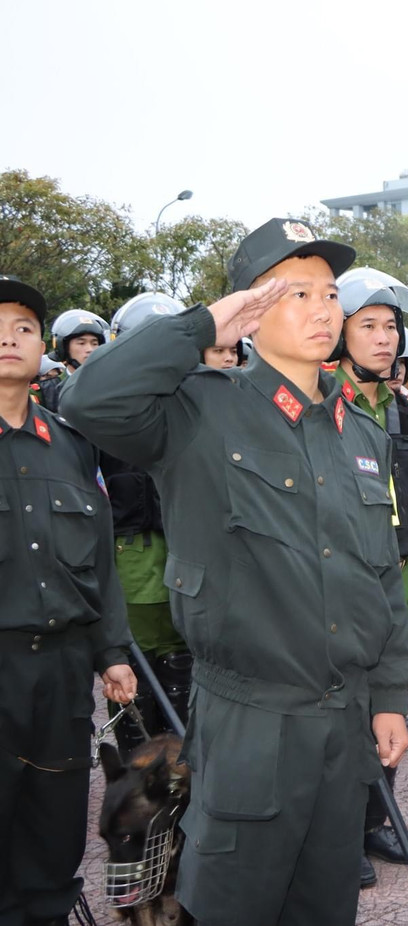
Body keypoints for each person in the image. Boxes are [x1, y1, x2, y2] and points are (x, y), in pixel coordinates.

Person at [62, 218, 408, 926]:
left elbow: (382, 574)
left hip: (343, 726)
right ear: (250, 312)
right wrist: (204, 323)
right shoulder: (199, 412)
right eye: (296, 293)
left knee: (325, 909)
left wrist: (389, 692)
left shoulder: (364, 434)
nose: (323, 309)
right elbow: (88, 400)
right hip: (252, 724)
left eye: (329, 293)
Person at [0, 275, 137, 926]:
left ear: (40, 350)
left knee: (55, 829)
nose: (9, 338)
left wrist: (112, 652)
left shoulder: (74, 447)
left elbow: (102, 562)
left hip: (61, 669)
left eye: (23, 327)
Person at [328, 268, 408, 887]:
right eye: (367, 325)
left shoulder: (395, 408)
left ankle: (377, 820)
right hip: (344, 583)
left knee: (389, 702)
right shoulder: (325, 406)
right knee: (347, 710)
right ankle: (339, 836)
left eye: (390, 326)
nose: (382, 338)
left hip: (396, 574)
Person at [98, 292, 195, 758]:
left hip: (190, 555)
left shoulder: (199, 404)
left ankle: (186, 792)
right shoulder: (94, 412)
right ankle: (143, 798)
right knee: (132, 675)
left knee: (184, 671)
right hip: (129, 562)